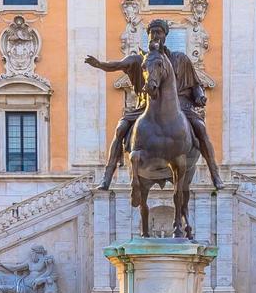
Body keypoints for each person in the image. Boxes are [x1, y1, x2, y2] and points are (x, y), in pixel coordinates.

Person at [86, 19, 222, 192]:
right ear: (148, 35)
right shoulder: (139, 60)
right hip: (146, 106)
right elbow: (118, 64)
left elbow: (196, 84)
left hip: (180, 105)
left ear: (165, 35)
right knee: (120, 129)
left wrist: (200, 96)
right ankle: (107, 177)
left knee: (200, 128)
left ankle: (215, 174)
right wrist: (100, 65)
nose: (156, 35)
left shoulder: (180, 59)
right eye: (152, 32)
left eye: (159, 32)